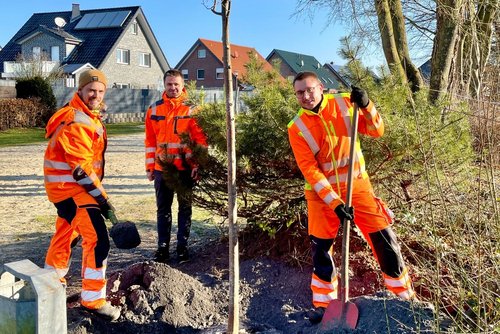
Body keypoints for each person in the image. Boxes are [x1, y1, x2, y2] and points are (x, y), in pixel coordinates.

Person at [287, 72, 415, 324]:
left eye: (310, 89)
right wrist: (335, 203)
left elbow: (377, 130)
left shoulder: (346, 103)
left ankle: (402, 297)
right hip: (322, 199)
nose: (306, 96)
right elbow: (310, 170)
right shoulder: (297, 127)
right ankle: (324, 306)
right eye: (300, 92)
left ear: (321, 87)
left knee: (385, 240)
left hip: (358, 189)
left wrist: (367, 105)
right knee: (322, 251)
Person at [43, 69, 120, 321]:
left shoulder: (88, 116)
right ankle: (93, 300)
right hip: (74, 191)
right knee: (98, 240)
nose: (95, 95)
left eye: (99, 91)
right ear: (80, 90)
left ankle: (50, 285)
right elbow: (81, 170)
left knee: (66, 235)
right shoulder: (76, 121)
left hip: (68, 191)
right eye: (90, 91)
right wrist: (104, 201)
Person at [145, 69, 207, 263]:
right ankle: (162, 248)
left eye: (176, 84)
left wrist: (198, 164)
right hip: (162, 169)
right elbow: (149, 141)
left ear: (182, 86)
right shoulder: (153, 110)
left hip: (185, 169)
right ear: (164, 85)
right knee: (163, 209)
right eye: (169, 84)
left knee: (185, 209)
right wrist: (149, 166)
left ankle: (182, 247)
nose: (173, 88)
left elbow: (200, 140)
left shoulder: (192, 110)